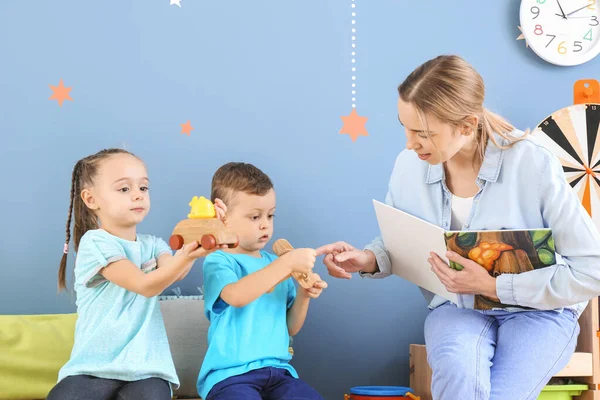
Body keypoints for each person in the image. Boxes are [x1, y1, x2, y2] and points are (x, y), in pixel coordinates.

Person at [316, 55, 600, 399]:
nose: (409, 143)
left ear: (467, 126)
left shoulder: (532, 163)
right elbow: (403, 235)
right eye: (404, 127)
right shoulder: (410, 164)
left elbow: (591, 270)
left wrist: (496, 286)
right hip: (456, 308)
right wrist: (369, 259)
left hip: (539, 313)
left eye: (422, 133)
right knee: (456, 373)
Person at [47, 148, 226, 400]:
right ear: (90, 199)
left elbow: (173, 273)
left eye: (143, 188)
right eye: (124, 189)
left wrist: (207, 232)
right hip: (92, 369)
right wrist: (187, 255)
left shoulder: (153, 245)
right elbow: (145, 285)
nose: (137, 196)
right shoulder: (95, 242)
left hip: (147, 371)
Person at [197, 162, 326, 400]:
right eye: (255, 216)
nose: (265, 224)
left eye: (270, 215)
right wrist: (286, 264)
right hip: (230, 377)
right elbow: (236, 296)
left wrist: (304, 294)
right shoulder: (219, 261)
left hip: (280, 373)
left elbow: (290, 328)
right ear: (221, 215)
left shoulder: (276, 264)